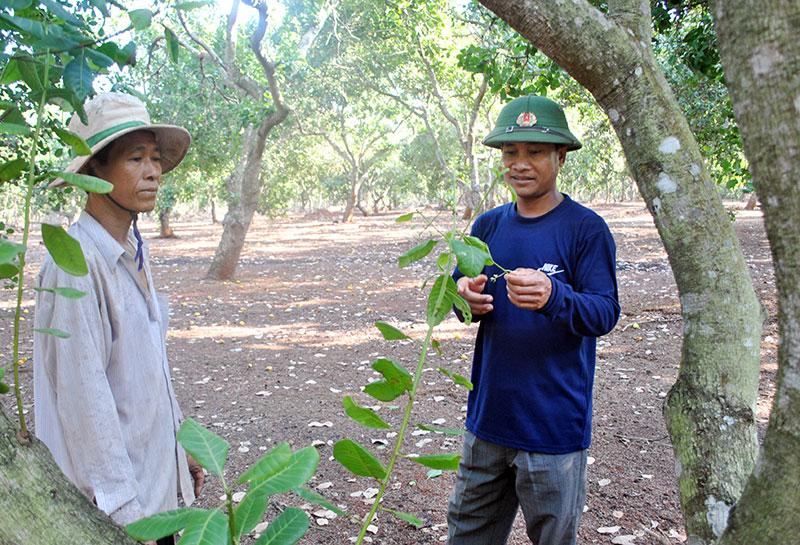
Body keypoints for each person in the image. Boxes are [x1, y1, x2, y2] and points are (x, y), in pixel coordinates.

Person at [447, 95, 620, 545]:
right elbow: (457, 296)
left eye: (535, 152)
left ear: (560, 157)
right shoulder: (487, 227)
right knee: (468, 533)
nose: (520, 164)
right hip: (487, 421)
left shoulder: (586, 229)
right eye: (510, 152)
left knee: (553, 537)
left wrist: (553, 296)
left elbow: (605, 311)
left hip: (553, 430)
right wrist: (464, 297)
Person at [33, 92, 203, 544]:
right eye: (135, 158)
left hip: (153, 492)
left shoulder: (131, 253)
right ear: (93, 173)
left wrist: (177, 444)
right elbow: (83, 400)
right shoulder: (75, 263)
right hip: (119, 513)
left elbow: (146, 368)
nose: (153, 171)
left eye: (154, 158)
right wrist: (128, 518)